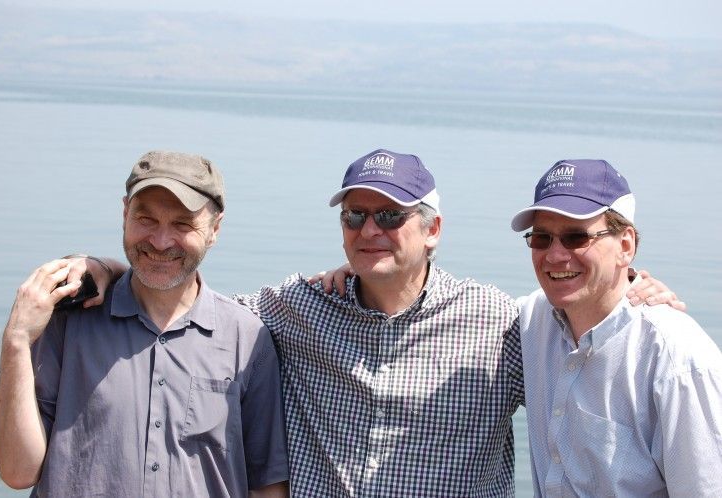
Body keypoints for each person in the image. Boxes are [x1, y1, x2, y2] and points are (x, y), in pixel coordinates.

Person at [61, 149, 678, 497]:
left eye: (389, 215)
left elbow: (577, 344)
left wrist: (630, 284)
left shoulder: (500, 323)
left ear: (432, 230)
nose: (369, 230)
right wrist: (107, 269)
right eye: (355, 217)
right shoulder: (292, 308)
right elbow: (185, 301)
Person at [0, 151, 289, 497]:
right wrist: (16, 341)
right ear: (124, 214)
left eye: (182, 224)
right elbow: (17, 471)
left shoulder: (247, 339)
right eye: (146, 219)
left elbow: (267, 484)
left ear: (215, 229)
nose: (161, 242)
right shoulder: (67, 319)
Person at [511, 159, 722, 496]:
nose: (554, 255)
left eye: (576, 237)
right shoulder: (530, 321)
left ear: (626, 246)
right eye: (541, 238)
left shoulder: (679, 359)